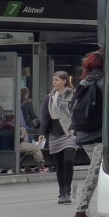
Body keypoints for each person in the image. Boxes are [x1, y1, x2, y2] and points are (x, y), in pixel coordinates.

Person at [71, 49, 105, 217]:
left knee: (97, 172)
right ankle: (81, 210)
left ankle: (82, 207)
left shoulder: (84, 81)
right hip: (100, 134)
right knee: (95, 173)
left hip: (83, 135)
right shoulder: (104, 81)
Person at [39, 71, 78, 203]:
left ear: (64, 81)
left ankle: (67, 191)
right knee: (59, 164)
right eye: (54, 80)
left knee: (68, 160)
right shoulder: (49, 98)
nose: (54, 82)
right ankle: (62, 192)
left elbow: (78, 113)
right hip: (55, 133)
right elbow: (45, 117)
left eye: (57, 80)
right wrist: (42, 134)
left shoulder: (73, 95)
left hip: (70, 132)